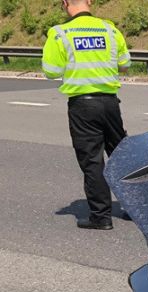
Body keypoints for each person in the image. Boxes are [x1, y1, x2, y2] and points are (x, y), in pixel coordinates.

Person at [42, 0, 131, 230]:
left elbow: (50, 71)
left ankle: (101, 217)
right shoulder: (109, 29)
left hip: (82, 106)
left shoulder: (60, 33)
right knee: (121, 157)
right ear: (89, 1)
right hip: (110, 103)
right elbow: (125, 64)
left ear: (65, 3)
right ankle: (136, 209)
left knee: (92, 161)